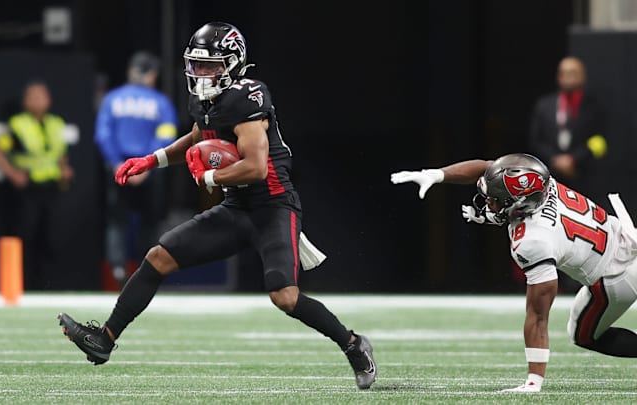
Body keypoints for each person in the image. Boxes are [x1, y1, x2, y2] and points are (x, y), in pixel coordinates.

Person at [57, 21, 376, 390]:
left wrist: (208, 178)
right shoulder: (203, 100)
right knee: (158, 257)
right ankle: (104, 340)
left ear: (233, 63)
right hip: (235, 206)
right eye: (197, 64)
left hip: (273, 206)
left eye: (210, 65)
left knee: (285, 297)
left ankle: (353, 345)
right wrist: (152, 159)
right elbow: (199, 136)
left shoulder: (248, 96)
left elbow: (256, 168)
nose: (201, 73)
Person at [391, 153, 637, 393]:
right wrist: (436, 175)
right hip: (627, 237)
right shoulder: (540, 181)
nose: (489, 202)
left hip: (616, 276)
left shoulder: (533, 241)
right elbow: (488, 167)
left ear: (520, 204)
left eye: (495, 199)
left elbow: (538, 315)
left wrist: (534, 380)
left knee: (583, 336)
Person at [94, 50, 179, 287]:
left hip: (120, 166)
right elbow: (167, 135)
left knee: (116, 221)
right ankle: (148, 270)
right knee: (150, 221)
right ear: (151, 75)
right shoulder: (160, 102)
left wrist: (116, 164)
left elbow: (103, 135)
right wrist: (148, 165)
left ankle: (118, 269)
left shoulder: (113, 99)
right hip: (148, 168)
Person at [0, 80, 74, 290]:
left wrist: (65, 169)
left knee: (51, 239)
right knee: (26, 237)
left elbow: (60, 153)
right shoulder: (18, 124)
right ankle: (22, 285)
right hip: (29, 190)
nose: (38, 100)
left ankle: (48, 287)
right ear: (25, 101)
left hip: (52, 189)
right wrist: (13, 174)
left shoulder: (56, 123)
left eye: (42, 96)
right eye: (33, 96)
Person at [528, 56, 608, 202]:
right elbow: (536, 140)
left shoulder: (595, 107)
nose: (568, 77)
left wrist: (574, 159)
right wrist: (554, 159)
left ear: (583, 76)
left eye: (573, 72)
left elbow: (600, 140)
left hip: (584, 176)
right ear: (559, 76)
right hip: (551, 176)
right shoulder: (544, 105)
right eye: (564, 73)